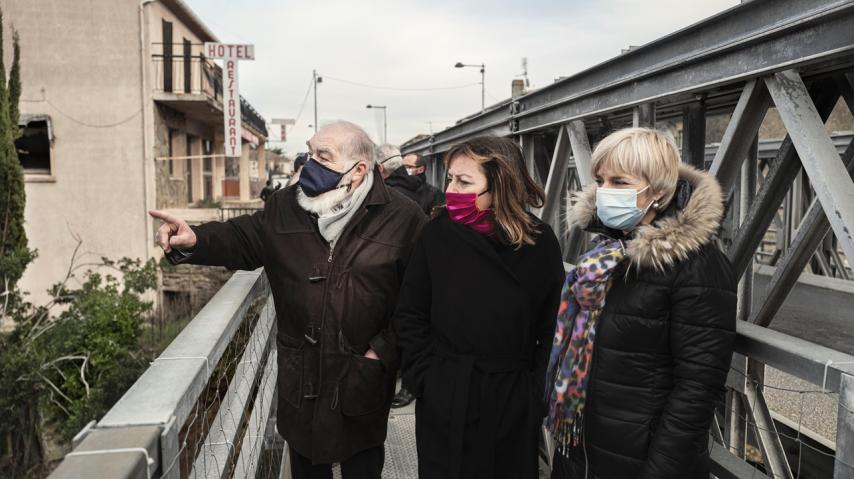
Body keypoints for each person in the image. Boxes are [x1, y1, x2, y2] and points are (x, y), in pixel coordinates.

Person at [149, 121, 426, 479]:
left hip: (362, 375)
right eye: (310, 152)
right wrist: (194, 240)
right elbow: (242, 238)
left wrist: (382, 351)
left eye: (323, 156)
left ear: (358, 171)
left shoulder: (403, 218)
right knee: (306, 464)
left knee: (363, 464)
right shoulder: (285, 206)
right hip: (303, 376)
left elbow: (417, 299)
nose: (310, 163)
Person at [545, 127, 736, 478]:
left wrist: (661, 470)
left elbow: (698, 387)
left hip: (640, 462)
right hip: (580, 451)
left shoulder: (698, 266)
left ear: (659, 192)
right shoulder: (605, 253)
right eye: (600, 180)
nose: (604, 192)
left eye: (619, 182)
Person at [395, 135, 565, 479]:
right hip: (448, 391)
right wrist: (426, 378)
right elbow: (410, 313)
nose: (451, 189)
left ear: (499, 186)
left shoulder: (539, 241)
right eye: (450, 179)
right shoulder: (437, 234)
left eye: (464, 181)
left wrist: (534, 393)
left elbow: (552, 326)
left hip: (511, 397)